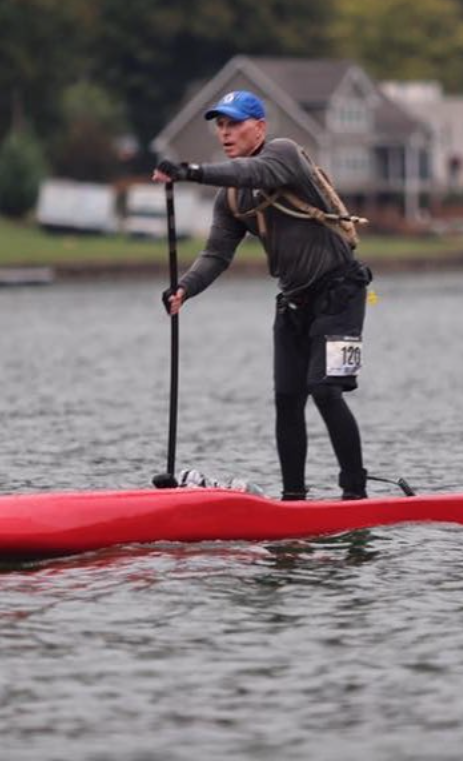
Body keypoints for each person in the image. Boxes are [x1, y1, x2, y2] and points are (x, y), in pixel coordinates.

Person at [152, 90, 374, 501]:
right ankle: (293, 501)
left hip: (340, 293)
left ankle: (355, 496)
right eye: (220, 125)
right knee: (287, 399)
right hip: (293, 303)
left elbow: (252, 174)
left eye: (233, 123)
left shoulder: (285, 155)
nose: (225, 132)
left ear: (260, 127)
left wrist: (189, 171)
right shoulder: (231, 199)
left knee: (324, 390)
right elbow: (216, 254)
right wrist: (185, 287)